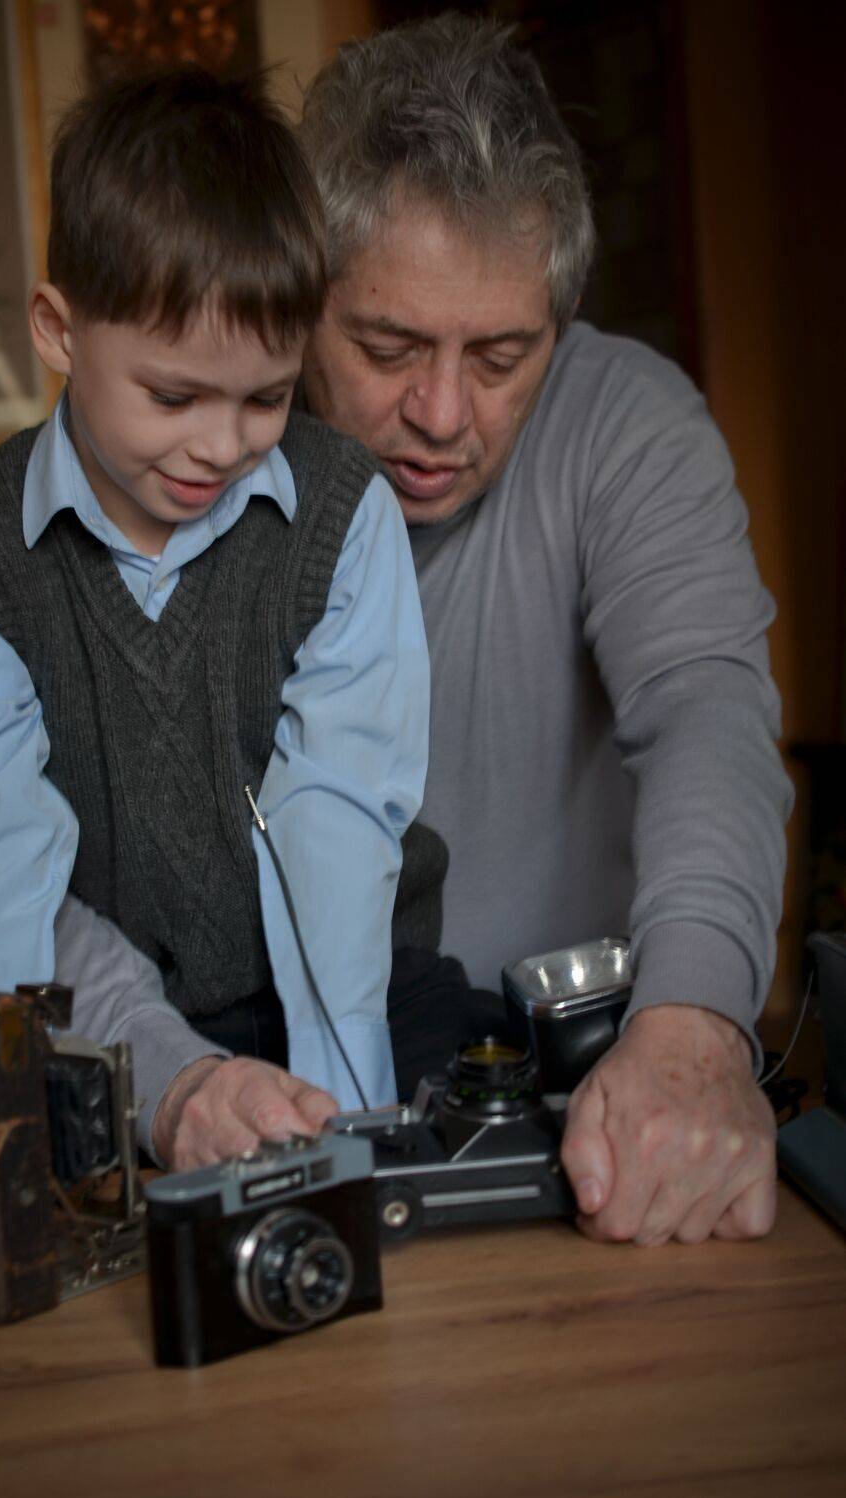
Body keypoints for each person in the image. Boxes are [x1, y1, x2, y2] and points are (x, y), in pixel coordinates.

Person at [0, 67, 461, 1171]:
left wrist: (339, 1131)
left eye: (265, 398)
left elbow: (340, 822)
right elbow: (3, 884)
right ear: (59, 330)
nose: (219, 444)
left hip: (363, 1005)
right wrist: (140, 1095)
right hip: (120, 1034)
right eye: (173, 396)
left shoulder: (344, 513)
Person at [295, 14, 793, 1246]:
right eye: (388, 347)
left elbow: (706, 713)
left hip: (593, 1122)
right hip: (298, 1128)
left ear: (555, 331)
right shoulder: (211, 459)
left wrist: (692, 1028)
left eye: (500, 356)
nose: (441, 413)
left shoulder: (629, 427)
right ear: (300, 305)